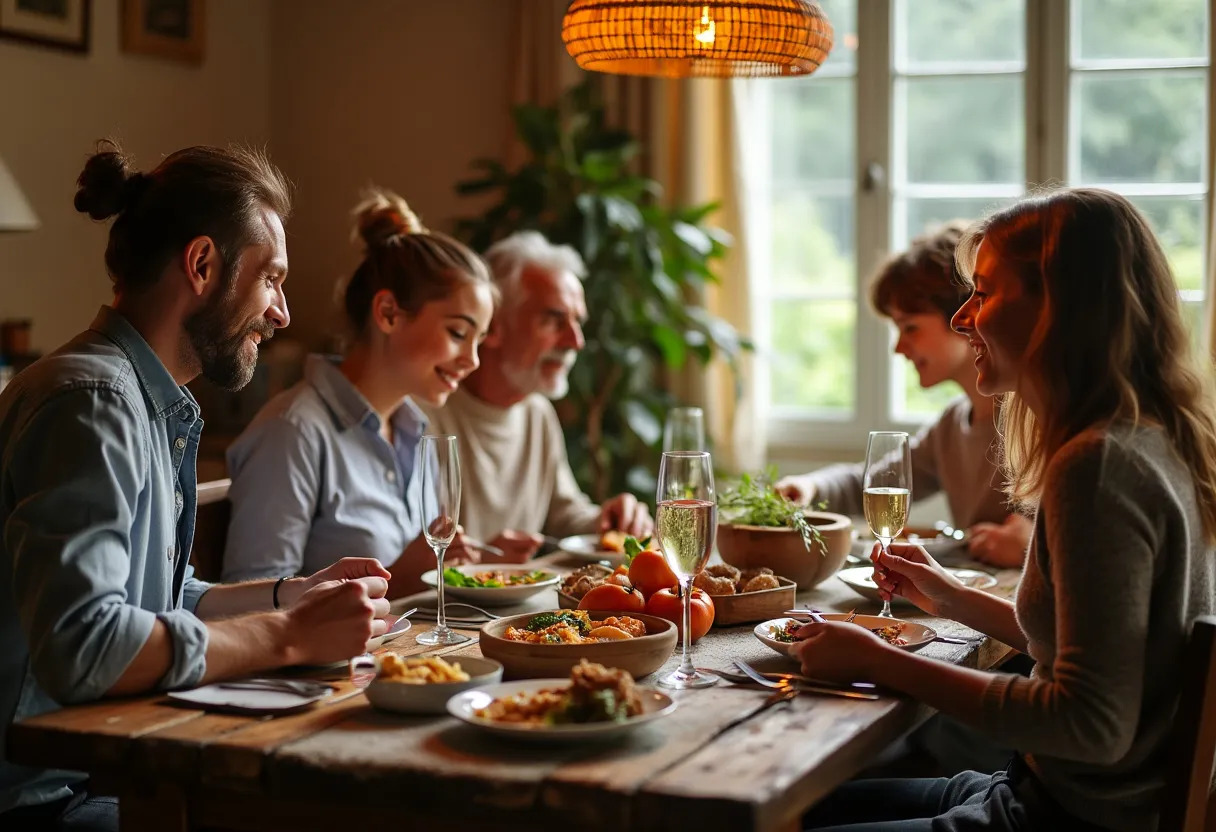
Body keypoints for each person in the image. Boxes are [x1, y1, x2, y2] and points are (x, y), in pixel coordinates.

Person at [796, 188, 1216, 832]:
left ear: (1058, 305)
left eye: (984, 293)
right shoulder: (1146, 437)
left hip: (1065, 817)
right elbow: (1095, 652)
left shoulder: (1097, 467)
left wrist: (879, 661)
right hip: (1044, 790)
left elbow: (1090, 725)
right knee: (805, 807)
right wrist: (947, 595)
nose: (964, 318)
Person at [0, 142, 392, 830]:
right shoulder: (92, 403)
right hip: (43, 799)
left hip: (111, 773)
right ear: (203, 265)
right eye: (271, 279)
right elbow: (86, 643)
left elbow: (153, 595)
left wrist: (287, 594)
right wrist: (287, 635)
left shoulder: (149, 404)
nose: (283, 314)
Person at [222, 189, 501, 599]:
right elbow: (248, 607)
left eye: (479, 340)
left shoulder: (415, 430)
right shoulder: (293, 432)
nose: (472, 360)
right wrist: (398, 580)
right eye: (458, 333)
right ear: (388, 313)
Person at [776, 222, 1032, 568]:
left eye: (910, 327)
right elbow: (878, 482)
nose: (898, 347)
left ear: (964, 317)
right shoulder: (952, 426)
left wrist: (1030, 542)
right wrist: (810, 487)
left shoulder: (1032, 416)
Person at [419, 230, 652, 544]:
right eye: (554, 320)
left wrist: (608, 520)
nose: (576, 342)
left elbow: (564, 514)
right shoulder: (423, 412)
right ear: (494, 325)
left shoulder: (537, 411)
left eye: (577, 322)